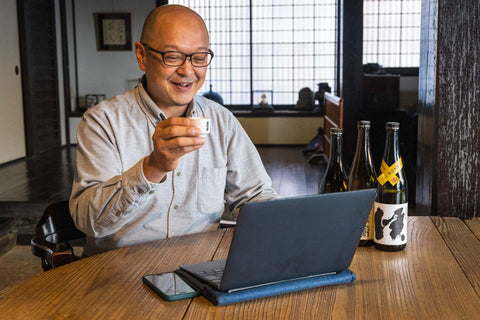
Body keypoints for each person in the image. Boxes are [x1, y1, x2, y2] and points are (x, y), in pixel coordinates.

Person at [69, 5, 278, 256]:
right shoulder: (103, 122)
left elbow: (256, 196)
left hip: (199, 268)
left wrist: (282, 227)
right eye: (173, 56)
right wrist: (152, 168)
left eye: (199, 57)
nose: (187, 71)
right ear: (142, 55)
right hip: (120, 272)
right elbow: (89, 223)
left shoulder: (221, 120)